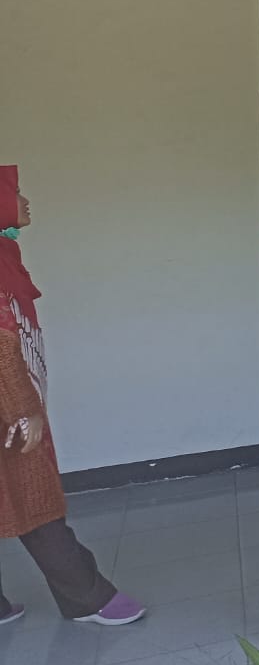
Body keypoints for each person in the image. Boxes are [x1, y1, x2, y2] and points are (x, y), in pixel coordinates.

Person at [0, 166, 145, 628]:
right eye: (15, 192)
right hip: (8, 411)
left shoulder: (5, 253)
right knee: (34, 501)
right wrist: (23, 411)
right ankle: (88, 598)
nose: (25, 200)